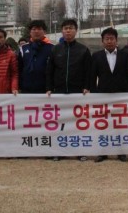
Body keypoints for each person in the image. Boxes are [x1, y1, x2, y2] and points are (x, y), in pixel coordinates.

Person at [46, 18, 92, 162]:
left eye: (71, 28)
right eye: (65, 28)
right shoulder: (55, 49)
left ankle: (80, 151)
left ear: (76, 31)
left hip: (77, 92)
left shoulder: (83, 49)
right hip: (59, 93)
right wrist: (49, 88)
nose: (68, 31)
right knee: (60, 124)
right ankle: (58, 151)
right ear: (62, 31)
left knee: (78, 124)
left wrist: (87, 86)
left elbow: (88, 71)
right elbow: (49, 71)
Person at [90, 27, 128, 163]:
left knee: (120, 126)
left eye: (112, 39)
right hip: (103, 95)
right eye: (106, 39)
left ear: (116, 40)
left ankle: (121, 152)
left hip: (121, 95)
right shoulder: (96, 56)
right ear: (102, 41)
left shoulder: (125, 55)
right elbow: (92, 76)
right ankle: (103, 152)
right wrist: (93, 92)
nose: (109, 41)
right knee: (104, 126)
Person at [18, 20, 54, 94]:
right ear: (30, 32)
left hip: (46, 90)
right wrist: (19, 86)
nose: (36, 31)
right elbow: (19, 69)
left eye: (39, 29)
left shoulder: (52, 48)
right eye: (34, 29)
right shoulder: (23, 48)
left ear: (44, 32)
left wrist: (50, 87)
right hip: (26, 89)